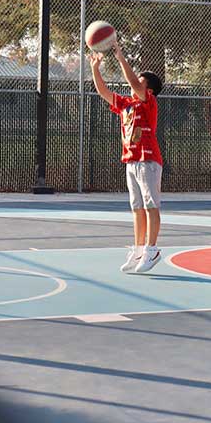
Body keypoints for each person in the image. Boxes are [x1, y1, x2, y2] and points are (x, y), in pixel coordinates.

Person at [88, 41, 164, 274]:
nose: (134, 82)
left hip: (148, 159)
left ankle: (153, 250)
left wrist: (121, 58)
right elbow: (103, 92)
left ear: (148, 89)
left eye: (140, 80)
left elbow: (133, 83)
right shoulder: (126, 104)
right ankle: (139, 249)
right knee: (136, 207)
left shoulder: (147, 101)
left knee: (151, 205)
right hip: (131, 159)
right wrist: (95, 68)